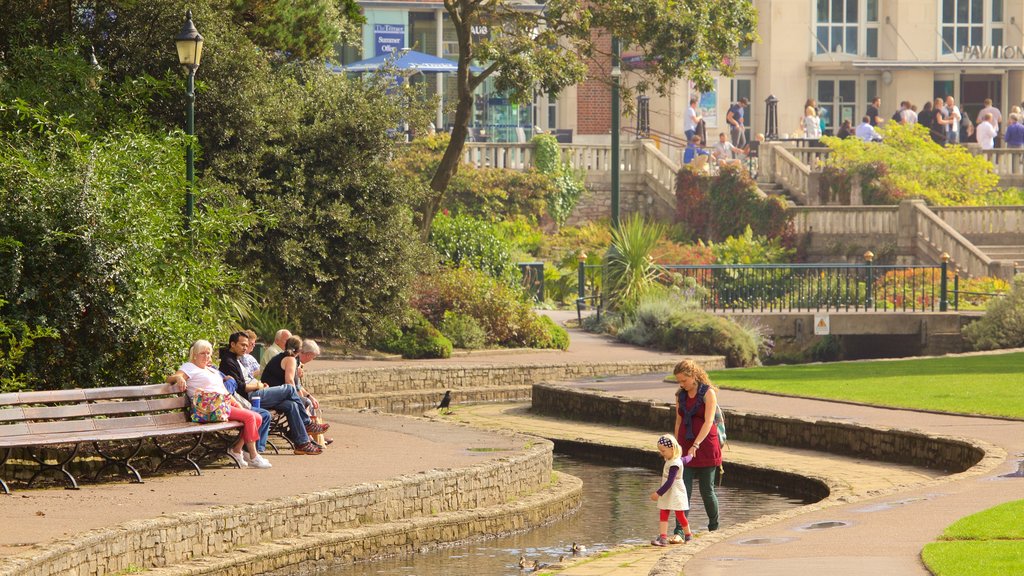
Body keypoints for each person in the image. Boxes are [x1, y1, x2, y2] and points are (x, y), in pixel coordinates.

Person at [167, 340, 272, 469]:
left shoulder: (211, 370)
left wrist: (235, 402)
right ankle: (254, 456)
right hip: (207, 409)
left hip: (221, 405)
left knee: (258, 417)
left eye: (208, 353)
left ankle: (237, 450)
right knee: (251, 417)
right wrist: (179, 378)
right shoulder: (189, 367)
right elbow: (171, 377)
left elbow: (223, 390)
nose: (206, 356)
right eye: (202, 353)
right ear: (194, 354)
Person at [672, 359, 723, 534]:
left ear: (693, 376)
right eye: (679, 381)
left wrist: (696, 445)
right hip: (685, 448)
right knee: (682, 489)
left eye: (684, 380)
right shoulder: (680, 395)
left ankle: (714, 527)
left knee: (706, 490)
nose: (681, 384)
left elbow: (709, 422)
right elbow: (678, 422)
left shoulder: (708, 393)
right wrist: (677, 447)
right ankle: (679, 531)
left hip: (706, 446)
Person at [218, 332, 273, 457]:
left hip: (240, 400)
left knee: (289, 403)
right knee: (263, 414)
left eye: (246, 345)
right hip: (236, 401)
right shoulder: (228, 361)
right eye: (242, 345)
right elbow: (240, 387)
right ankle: (252, 451)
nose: (245, 348)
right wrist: (257, 386)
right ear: (232, 344)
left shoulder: (236, 359)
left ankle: (253, 449)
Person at [650, 434, 694, 547]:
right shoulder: (676, 459)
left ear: (672, 449)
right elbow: (686, 459)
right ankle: (663, 537)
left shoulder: (674, 464)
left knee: (680, 514)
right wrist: (691, 455)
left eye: (663, 451)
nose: (661, 453)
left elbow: (670, 482)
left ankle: (688, 535)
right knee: (664, 512)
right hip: (669, 492)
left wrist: (658, 493)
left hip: (674, 492)